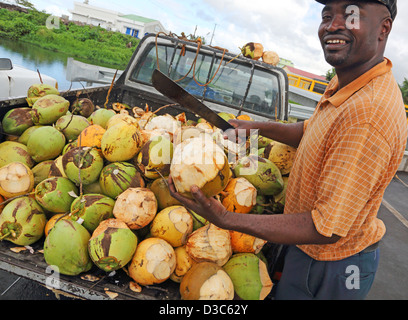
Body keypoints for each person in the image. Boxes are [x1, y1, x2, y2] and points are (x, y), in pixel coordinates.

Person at [168, 0, 408, 300]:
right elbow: (312, 133)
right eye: (327, 15)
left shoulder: (368, 114)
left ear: (384, 28)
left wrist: (225, 219)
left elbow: (325, 228)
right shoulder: (349, 81)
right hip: (308, 250)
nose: (333, 25)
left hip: (331, 265)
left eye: (351, 14)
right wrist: (256, 127)